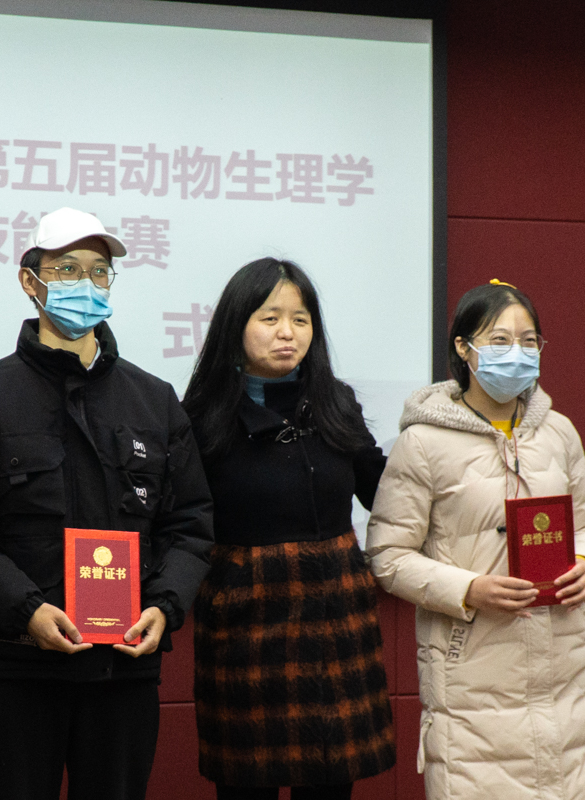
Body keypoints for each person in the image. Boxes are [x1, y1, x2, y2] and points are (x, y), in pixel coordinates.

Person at [0, 207, 215, 800]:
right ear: (29, 281)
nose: (85, 284)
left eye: (98, 271)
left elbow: (190, 524)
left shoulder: (155, 400)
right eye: (66, 269)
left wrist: (164, 606)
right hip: (15, 668)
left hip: (124, 669)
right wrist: (28, 611)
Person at [365, 280, 585, 799]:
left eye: (529, 341)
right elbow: (388, 555)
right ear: (463, 348)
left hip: (567, 675)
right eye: (499, 341)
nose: (517, 353)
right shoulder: (422, 442)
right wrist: (467, 589)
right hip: (473, 681)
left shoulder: (559, 433)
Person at [181, 258, 396, 800]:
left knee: (331, 780)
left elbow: (386, 493)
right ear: (236, 325)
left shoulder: (336, 401)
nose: (287, 332)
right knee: (246, 783)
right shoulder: (201, 415)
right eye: (270, 317)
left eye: (301, 320)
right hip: (244, 620)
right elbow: (180, 521)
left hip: (336, 616)